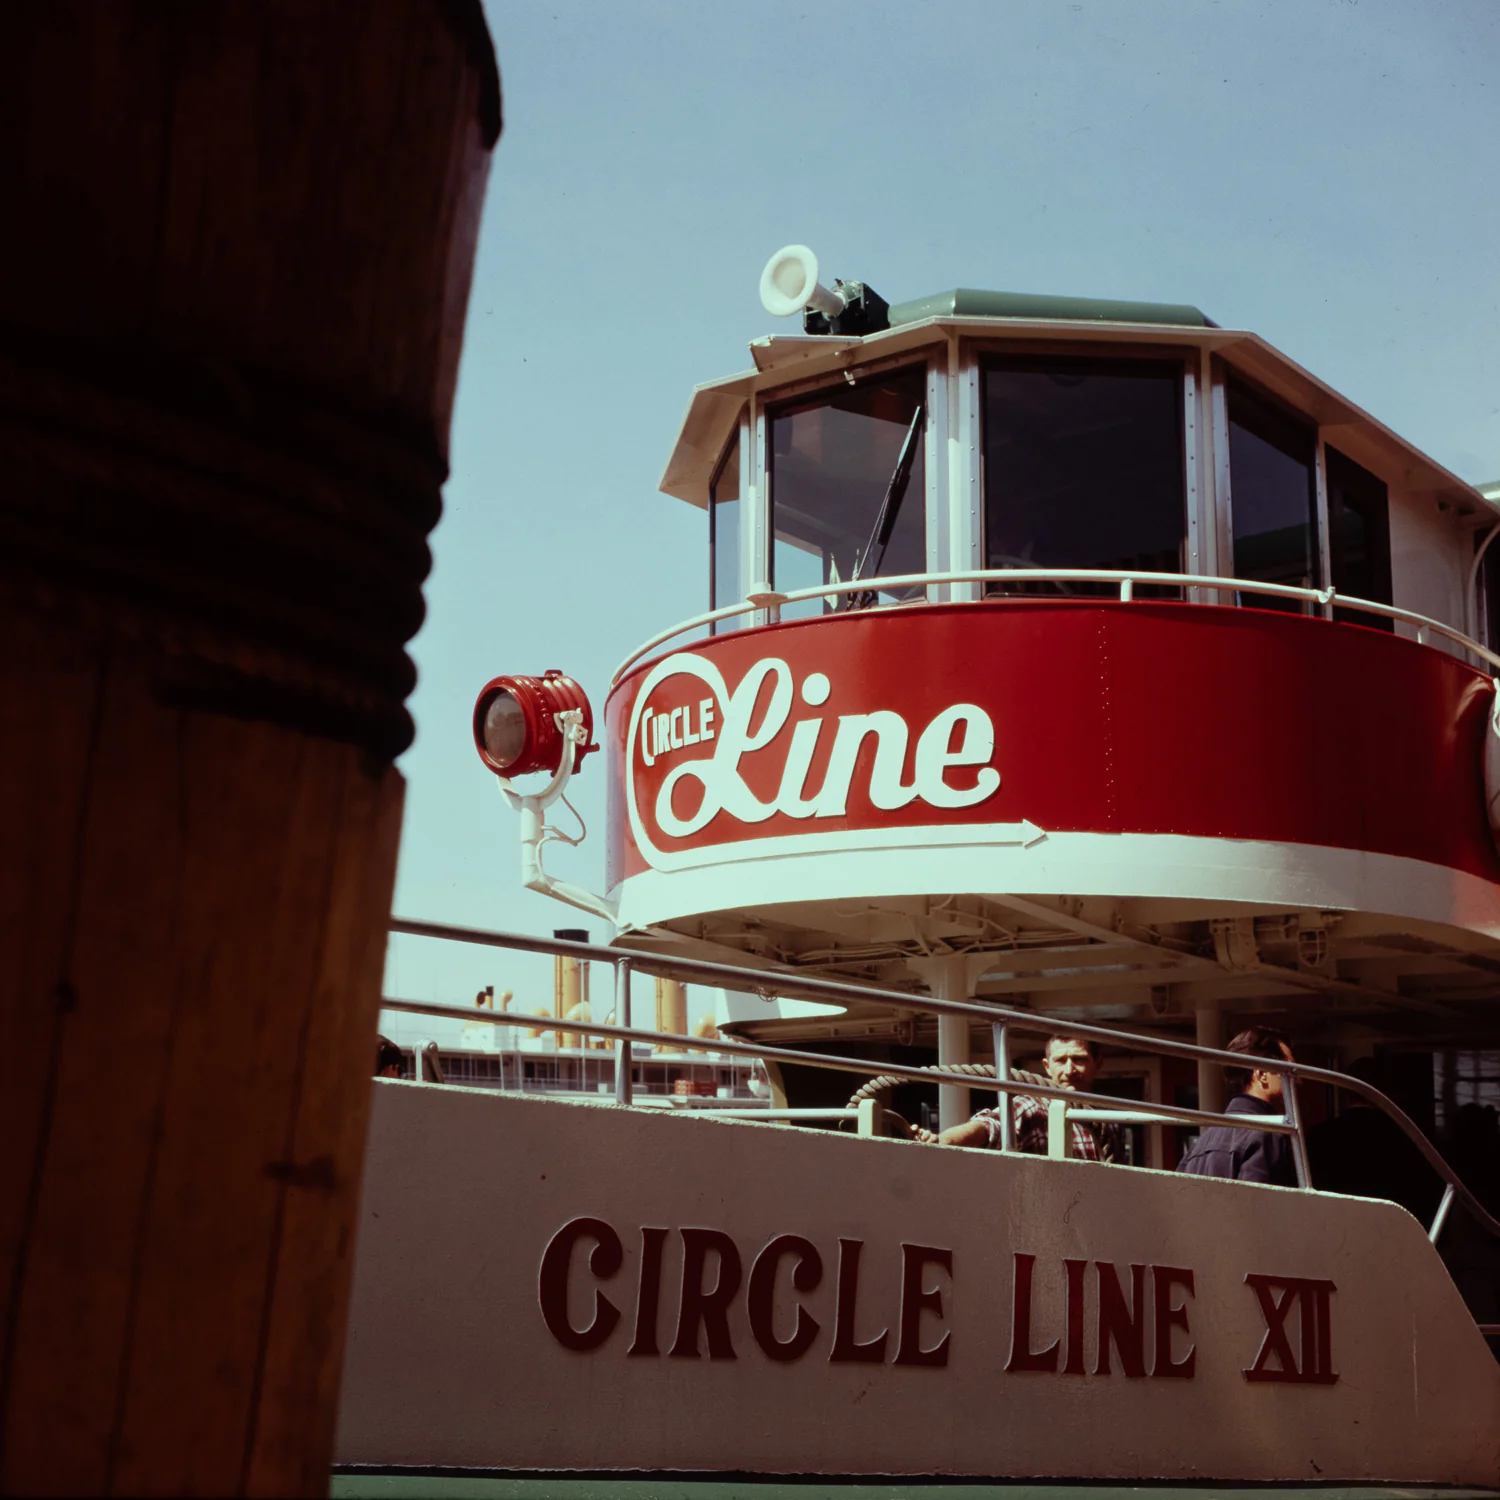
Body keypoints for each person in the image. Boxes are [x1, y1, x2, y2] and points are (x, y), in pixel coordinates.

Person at [912, 1034, 1121, 1162]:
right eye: (1060, 1060)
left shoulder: (1109, 1118)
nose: (1069, 1070)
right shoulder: (1031, 1105)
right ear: (1047, 1067)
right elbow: (989, 1126)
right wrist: (943, 1140)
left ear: (1098, 1063)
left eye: (1079, 1059)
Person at [1177, 1026, 1297, 1186]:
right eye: (1291, 1073)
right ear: (1262, 1074)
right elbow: (1260, 1206)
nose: (1299, 1082)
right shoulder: (1267, 1134)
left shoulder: (1201, 1143)